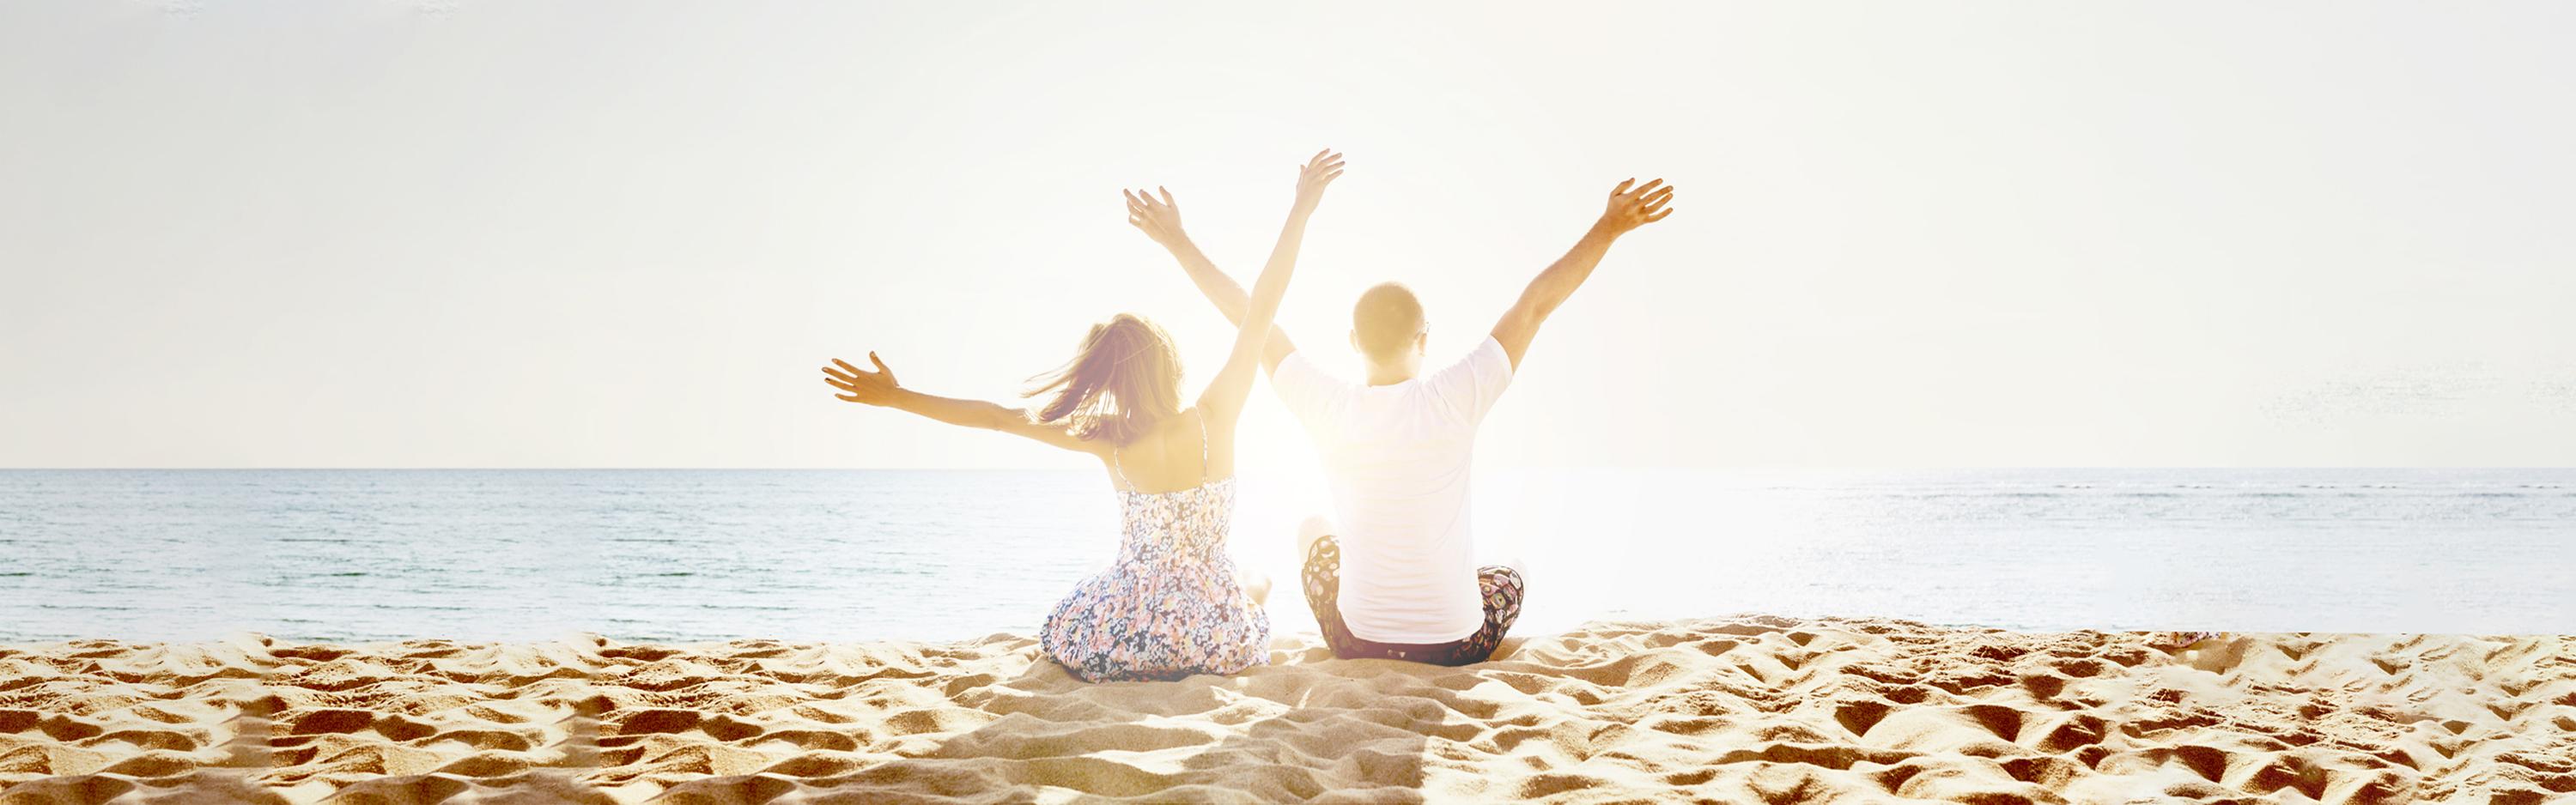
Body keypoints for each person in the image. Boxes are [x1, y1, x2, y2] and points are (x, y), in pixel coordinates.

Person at [823, 149, 1346, 681]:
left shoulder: (1106, 438)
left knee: (1080, 611)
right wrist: (1297, 210)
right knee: (1251, 578)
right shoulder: (1216, 415)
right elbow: (1261, 306)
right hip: (1209, 638)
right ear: (1169, 362)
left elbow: (998, 418)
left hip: (1124, 632)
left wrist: (897, 397)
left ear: (1106, 380)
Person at [1130, 176, 1674, 665]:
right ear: (1424, 339)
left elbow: (1250, 316)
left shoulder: (1327, 404)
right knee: (1509, 570)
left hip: (1355, 642)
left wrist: (1177, 241)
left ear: (1352, 342)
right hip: (1457, 647)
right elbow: (1534, 305)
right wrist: (1609, 227)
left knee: (1312, 530)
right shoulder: (1457, 395)